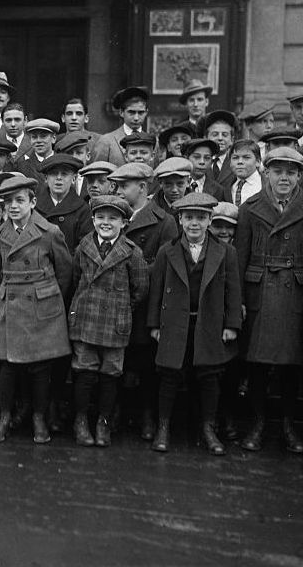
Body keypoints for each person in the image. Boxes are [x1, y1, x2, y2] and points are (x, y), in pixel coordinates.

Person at [235, 147, 303, 454]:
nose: (283, 178)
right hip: (259, 292)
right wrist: (239, 303)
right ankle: (258, 424)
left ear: (300, 175)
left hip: (294, 294)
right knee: (257, 366)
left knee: (291, 367)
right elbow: (240, 257)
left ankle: (288, 425)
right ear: (267, 173)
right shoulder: (250, 208)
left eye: (290, 172)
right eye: (277, 171)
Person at [147, 192, 242, 456]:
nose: (194, 224)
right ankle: (163, 427)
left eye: (200, 218)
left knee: (209, 377)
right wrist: (154, 324)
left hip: (209, 322)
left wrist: (232, 324)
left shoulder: (226, 252)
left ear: (210, 220)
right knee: (169, 375)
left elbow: (233, 291)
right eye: (188, 218)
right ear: (179, 220)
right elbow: (157, 289)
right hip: (175, 322)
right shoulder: (168, 251)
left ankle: (208, 429)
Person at [0, 175, 73, 445]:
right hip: (12, 304)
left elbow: (65, 272)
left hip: (42, 305)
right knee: (7, 367)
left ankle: (38, 416)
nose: (13, 206)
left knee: (40, 368)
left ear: (33, 202)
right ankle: (4, 416)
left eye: (19, 200)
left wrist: (46, 295)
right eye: (8, 201)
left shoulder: (49, 233)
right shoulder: (0, 235)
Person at [68, 195, 149, 447]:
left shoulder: (132, 253)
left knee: (111, 373)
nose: (106, 223)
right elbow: (75, 278)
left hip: (115, 321)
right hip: (86, 318)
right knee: (84, 370)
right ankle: (80, 421)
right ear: (93, 219)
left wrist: (121, 307)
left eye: (113, 218)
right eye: (101, 217)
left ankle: (103, 422)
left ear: (124, 223)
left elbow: (140, 288)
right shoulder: (83, 246)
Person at [108, 161, 179, 438]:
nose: (118, 191)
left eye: (123, 186)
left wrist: (132, 270)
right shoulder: (113, 215)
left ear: (142, 187)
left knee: (146, 364)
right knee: (116, 362)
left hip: (146, 302)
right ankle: (114, 413)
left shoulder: (165, 222)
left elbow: (167, 266)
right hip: (115, 301)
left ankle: (147, 416)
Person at [91, 86, 150, 166]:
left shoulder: (153, 142)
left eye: (140, 113)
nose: (136, 118)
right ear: (121, 112)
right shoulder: (106, 141)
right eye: (131, 112)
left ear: (146, 112)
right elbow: (96, 175)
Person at [227, 139, 264, 207]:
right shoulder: (226, 186)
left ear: (258, 162)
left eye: (246, 157)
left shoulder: (267, 184)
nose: (240, 162)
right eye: (235, 158)